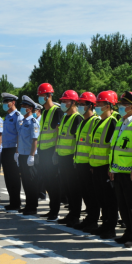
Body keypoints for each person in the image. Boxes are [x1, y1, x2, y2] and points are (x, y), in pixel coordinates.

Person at [109, 91, 132, 248]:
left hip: (130, 172)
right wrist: (111, 168)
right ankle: (128, 232)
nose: (120, 107)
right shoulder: (120, 122)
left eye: (123, 105)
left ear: (131, 107)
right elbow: (114, 147)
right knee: (123, 205)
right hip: (118, 171)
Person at [90, 91, 119, 239]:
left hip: (106, 167)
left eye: (100, 104)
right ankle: (104, 225)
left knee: (109, 200)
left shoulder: (112, 122)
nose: (97, 106)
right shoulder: (98, 121)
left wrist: (111, 167)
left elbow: (113, 147)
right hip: (96, 166)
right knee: (101, 198)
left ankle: (110, 227)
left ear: (108, 105)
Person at [55, 90, 83, 226]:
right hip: (62, 158)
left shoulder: (77, 118)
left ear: (73, 102)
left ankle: (75, 216)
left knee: (74, 189)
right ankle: (71, 214)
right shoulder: (65, 117)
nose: (62, 103)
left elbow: (78, 141)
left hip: (71, 159)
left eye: (65, 101)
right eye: (62, 101)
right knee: (67, 188)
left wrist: (75, 159)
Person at [73, 92, 100, 232]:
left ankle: (93, 221)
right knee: (86, 195)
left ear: (90, 105)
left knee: (91, 195)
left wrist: (91, 164)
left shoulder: (95, 121)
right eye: (79, 104)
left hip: (88, 165)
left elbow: (94, 145)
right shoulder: (83, 121)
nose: (80, 106)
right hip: (80, 163)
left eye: (82, 104)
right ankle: (89, 219)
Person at [36, 83, 64, 222]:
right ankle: (51, 209)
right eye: (39, 96)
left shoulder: (57, 111)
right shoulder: (45, 112)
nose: (40, 98)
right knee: (47, 182)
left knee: (54, 183)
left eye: (42, 95)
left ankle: (55, 211)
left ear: (49, 95)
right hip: (42, 152)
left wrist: (55, 152)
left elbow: (58, 133)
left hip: (51, 152)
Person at [16, 96, 40, 215]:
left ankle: (33, 207)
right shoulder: (23, 122)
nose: (22, 108)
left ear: (30, 108)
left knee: (31, 182)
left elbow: (34, 140)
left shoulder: (32, 122)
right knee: (25, 182)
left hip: (30, 156)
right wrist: (17, 152)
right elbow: (19, 139)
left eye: (24, 107)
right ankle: (28, 205)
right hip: (22, 154)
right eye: (21, 106)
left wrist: (32, 156)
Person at [1, 93, 23, 212]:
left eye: (7, 102)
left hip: (13, 150)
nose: (5, 104)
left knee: (14, 177)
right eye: (4, 102)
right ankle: (12, 201)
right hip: (5, 149)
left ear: (13, 102)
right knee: (8, 177)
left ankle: (16, 203)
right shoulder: (7, 116)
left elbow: (19, 135)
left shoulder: (17, 116)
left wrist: (17, 151)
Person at [35, 104, 47, 201]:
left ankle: (42, 192)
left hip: (41, 149)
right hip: (37, 150)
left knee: (41, 173)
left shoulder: (41, 120)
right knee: (37, 173)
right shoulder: (36, 120)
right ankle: (38, 191)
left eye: (35, 110)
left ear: (39, 111)